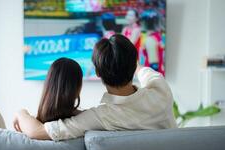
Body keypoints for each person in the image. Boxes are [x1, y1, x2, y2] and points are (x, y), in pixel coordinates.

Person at [13, 34, 177, 141]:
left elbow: (37, 132)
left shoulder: (101, 116)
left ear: (98, 73)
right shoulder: (159, 88)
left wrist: (21, 113)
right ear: (133, 63)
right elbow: (141, 69)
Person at [13, 57, 83, 137]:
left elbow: (34, 131)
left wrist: (21, 113)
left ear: (48, 84)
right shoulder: (85, 122)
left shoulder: (27, 126)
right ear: (78, 87)